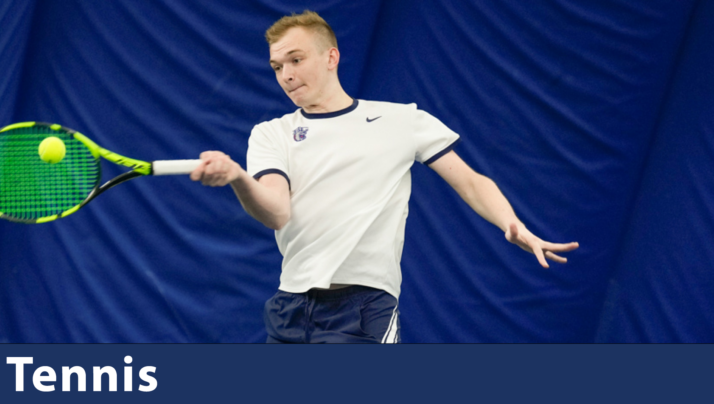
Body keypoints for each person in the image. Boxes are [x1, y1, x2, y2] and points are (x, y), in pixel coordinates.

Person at [189, 11, 578, 343]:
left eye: (295, 60)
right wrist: (239, 177)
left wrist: (511, 223)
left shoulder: (401, 120)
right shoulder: (270, 133)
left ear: (331, 57)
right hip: (290, 304)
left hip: (364, 308)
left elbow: (470, 180)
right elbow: (275, 212)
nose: (286, 75)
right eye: (277, 67)